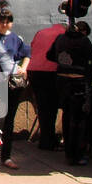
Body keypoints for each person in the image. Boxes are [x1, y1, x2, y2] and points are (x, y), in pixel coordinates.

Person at [47, 21, 92, 165]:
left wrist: (64, 62)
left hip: (62, 81)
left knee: (67, 115)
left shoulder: (60, 39)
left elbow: (50, 55)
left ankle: (68, 152)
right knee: (80, 119)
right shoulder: (83, 41)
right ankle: (78, 153)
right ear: (82, 31)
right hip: (79, 82)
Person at [0, 10, 30, 169]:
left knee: (9, 119)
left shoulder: (15, 38)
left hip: (12, 83)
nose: (4, 24)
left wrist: (23, 68)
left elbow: (27, 53)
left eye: (8, 21)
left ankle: (6, 156)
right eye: (2, 20)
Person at [26, 21, 65, 150]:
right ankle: (49, 141)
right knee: (52, 108)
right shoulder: (63, 33)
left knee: (42, 107)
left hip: (33, 70)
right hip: (50, 71)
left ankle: (45, 140)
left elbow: (32, 47)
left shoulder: (41, 32)